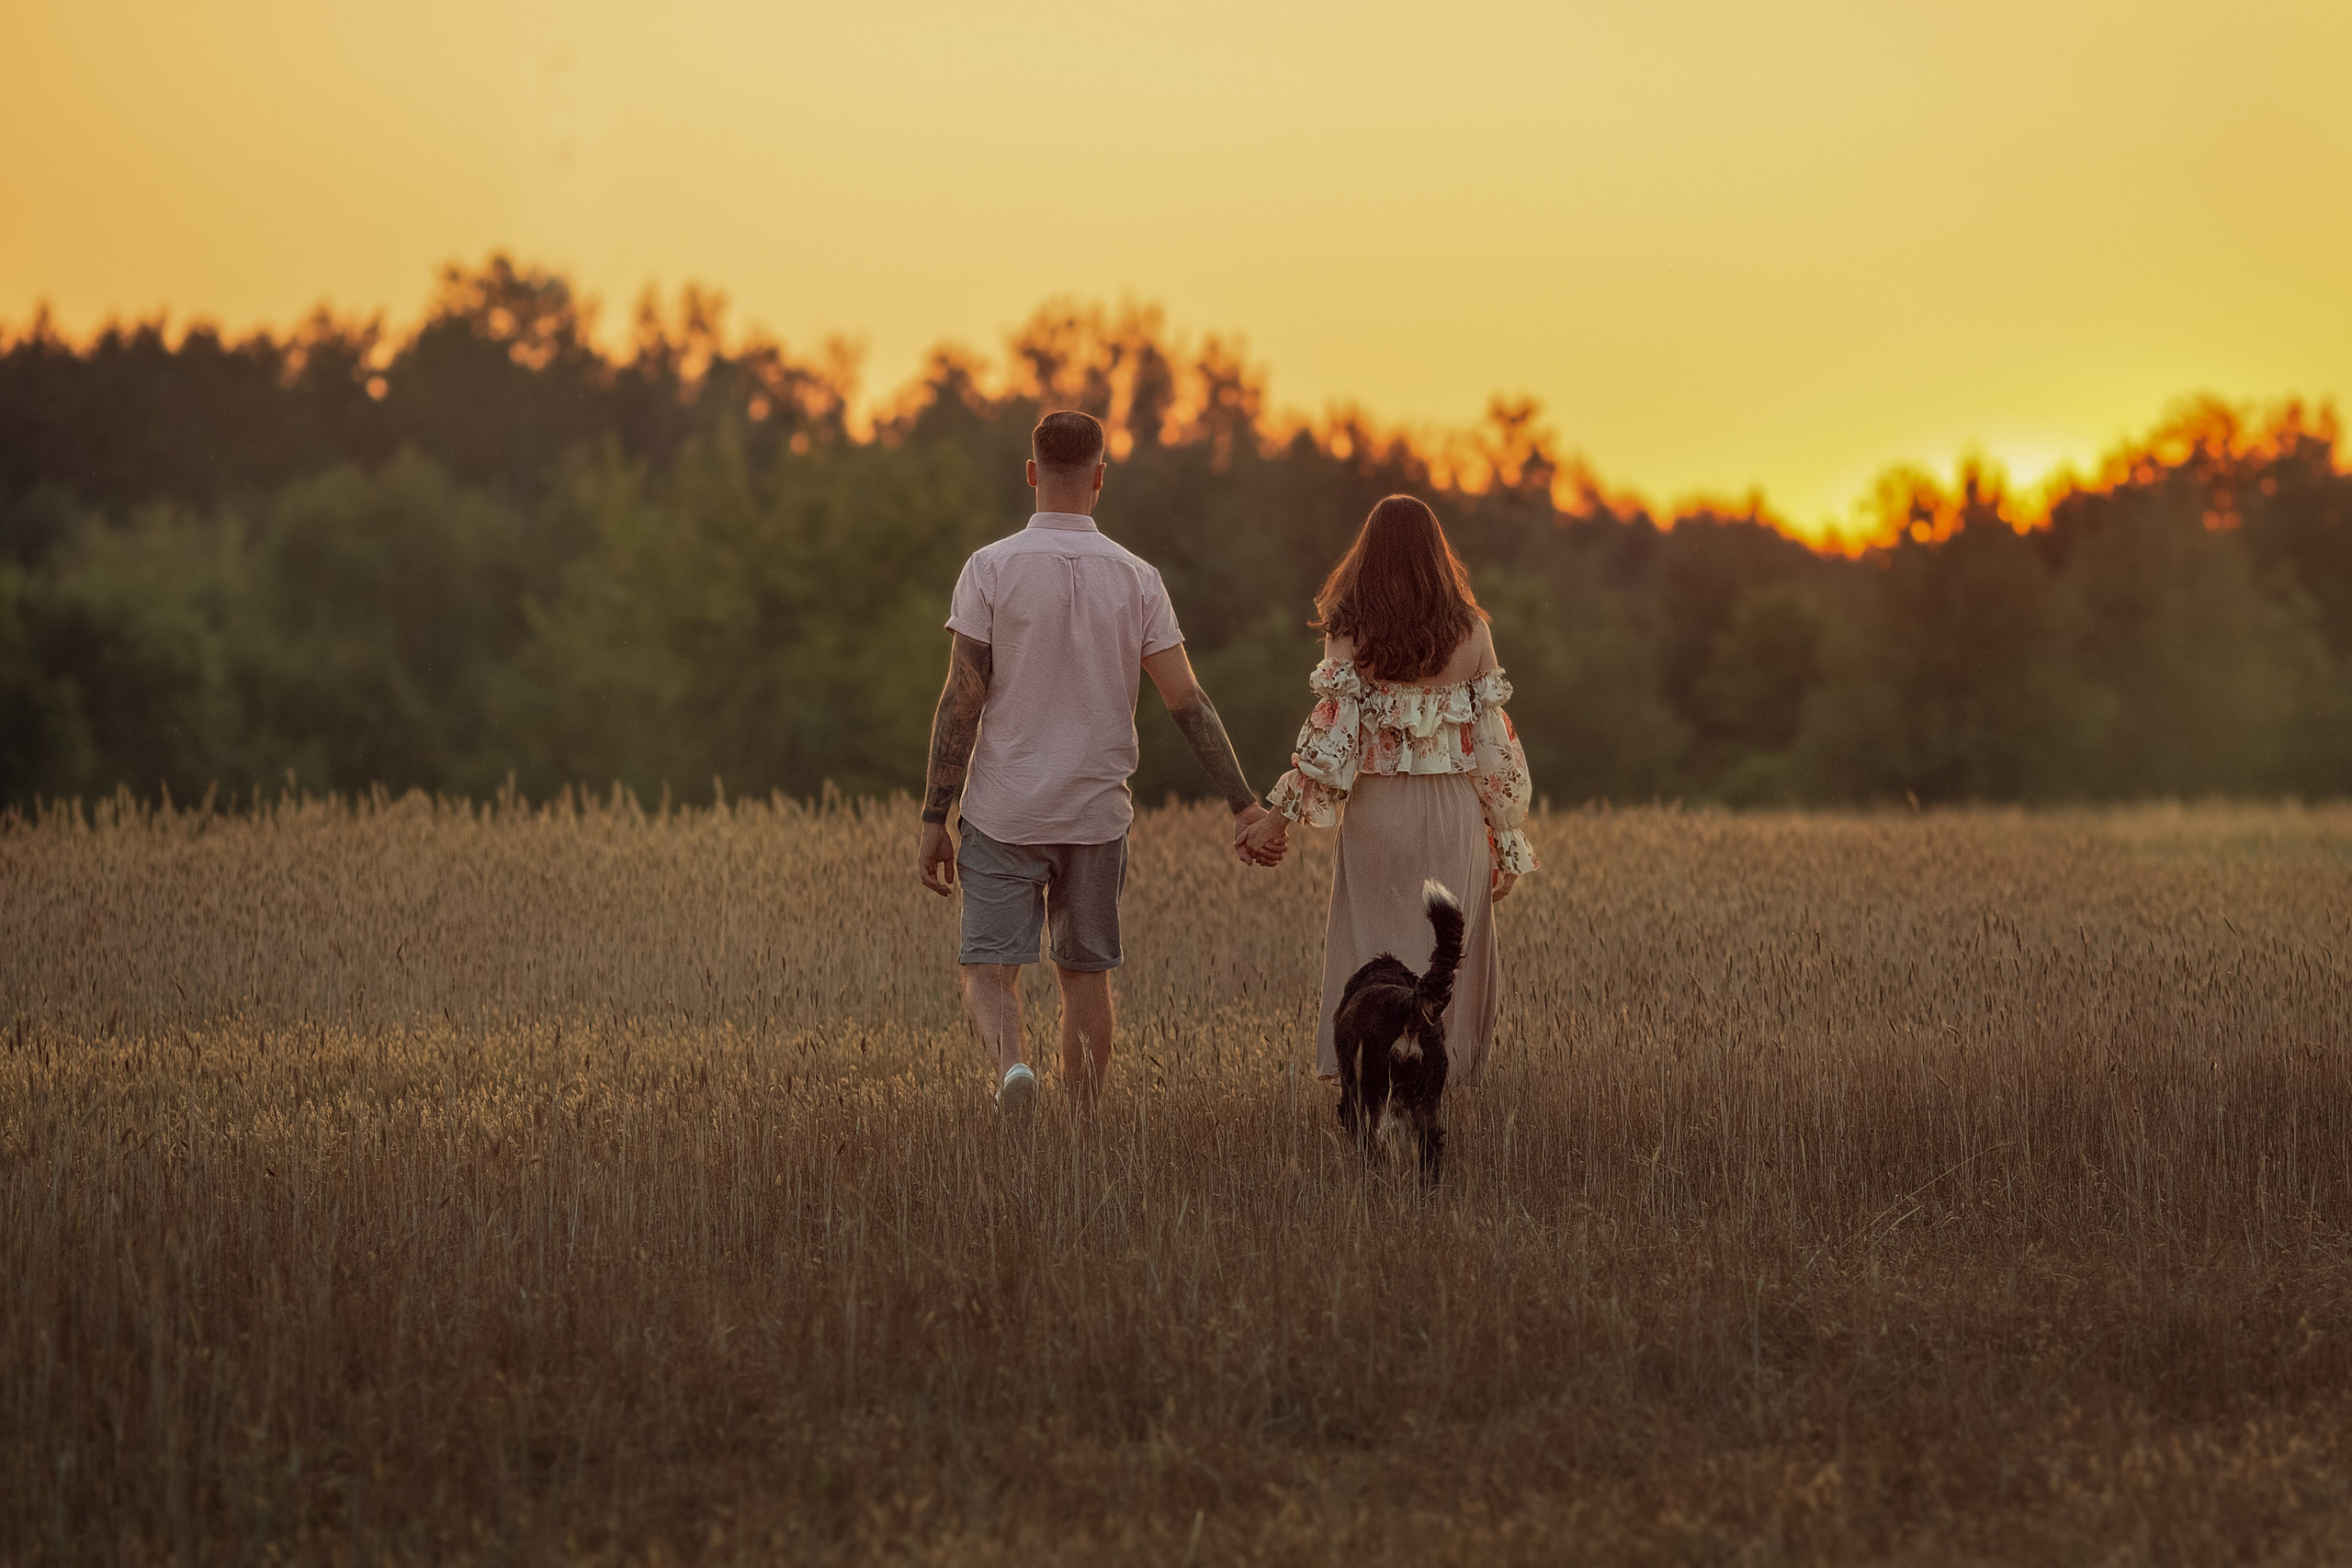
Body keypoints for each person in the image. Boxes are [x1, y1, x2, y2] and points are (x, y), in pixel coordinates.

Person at [918, 410, 1282, 1118]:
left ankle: (1013, 1069)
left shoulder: (988, 568)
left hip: (1004, 809)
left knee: (989, 970)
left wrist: (936, 812)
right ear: (1100, 477)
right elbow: (1188, 702)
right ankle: (1082, 1129)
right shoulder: (1138, 578)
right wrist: (1244, 803)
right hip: (1096, 814)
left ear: (1031, 472)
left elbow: (963, 702)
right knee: (1085, 976)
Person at [1239, 494, 1537, 1087]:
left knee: (1377, 955)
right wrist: (1505, 842)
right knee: (1445, 957)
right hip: (1454, 814)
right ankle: (1436, 1089)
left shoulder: (1350, 632)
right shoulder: (1473, 632)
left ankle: (1369, 1079)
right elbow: (1495, 751)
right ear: (1437, 556)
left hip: (1378, 815)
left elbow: (1330, 745)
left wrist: (1275, 819)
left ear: (1366, 557)